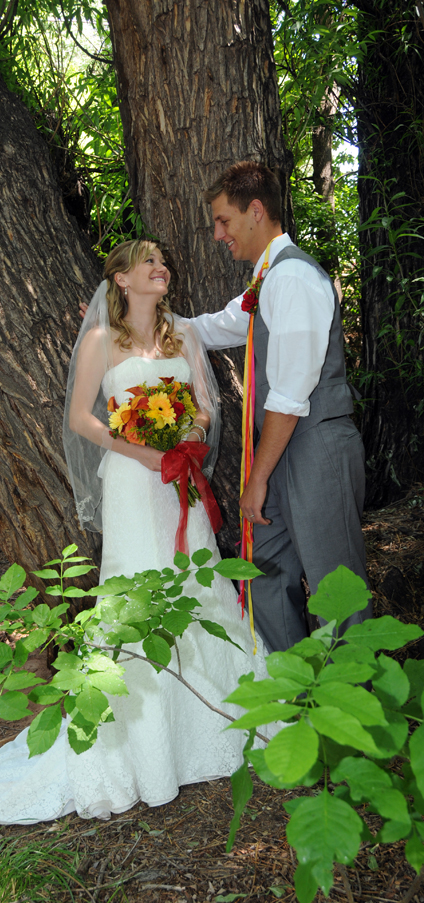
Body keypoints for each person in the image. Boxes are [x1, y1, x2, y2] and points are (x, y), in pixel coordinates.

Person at [0, 239, 275, 826]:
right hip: (133, 484)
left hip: (176, 474)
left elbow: (208, 405)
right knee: (137, 585)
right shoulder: (99, 343)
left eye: (164, 259)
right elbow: (82, 416)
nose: (162, 268)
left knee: (197, 580)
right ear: (122, 279)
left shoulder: (182, 334)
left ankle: (218, 719)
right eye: (149, 262)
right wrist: (133, 445)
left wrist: (185, 424)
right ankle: (145, 749)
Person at [187, 161, 371, 652]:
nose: (217, 234)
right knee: (266, 573)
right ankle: (292, 699)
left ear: (255, 210)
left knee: (337, 589)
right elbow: (210, 328)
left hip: (316, 450)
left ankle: (351, 713)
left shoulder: (292, 279)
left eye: (223, 221)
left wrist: (258, 477)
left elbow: (289, 397)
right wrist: (131, 317)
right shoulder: (266, 281)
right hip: (284, 449)